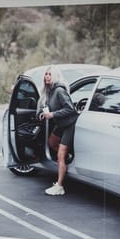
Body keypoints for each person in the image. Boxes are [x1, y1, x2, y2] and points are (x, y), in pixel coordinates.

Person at [38, 65, 78, 196]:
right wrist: (43, 113)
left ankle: (60, 186)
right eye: (46, 74)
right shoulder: (49, 91)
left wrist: (53, 115)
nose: (47, 76)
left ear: (55, 76)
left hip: (69, 124)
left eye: (49, 74)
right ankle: (68, 158)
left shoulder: (59, 90)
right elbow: (47, 106)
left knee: (60, 155)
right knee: (51, 143)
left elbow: (71, 109)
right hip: (61, 124)